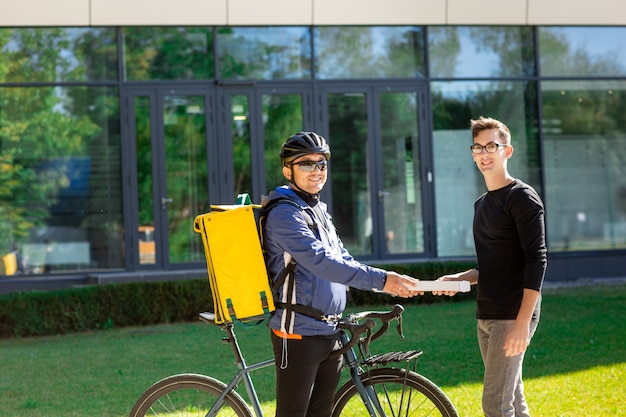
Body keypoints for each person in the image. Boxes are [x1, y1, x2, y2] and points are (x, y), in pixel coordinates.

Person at [262, 131, 422, 417]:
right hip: (297, 333)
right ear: (288, 169)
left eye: (321, 163)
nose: (316, 170)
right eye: (306, 164)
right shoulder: (284, 214)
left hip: (330, 331)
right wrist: (383, 280)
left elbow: (342, 258)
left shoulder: (318, 210)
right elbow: (322, 262)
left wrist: (382, 282)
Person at [434, 117, 547, 417]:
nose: (485, 153)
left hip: (512, 315)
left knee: (495, 405)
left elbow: (536, 259)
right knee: (512, 397)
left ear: (507, 151)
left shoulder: (521, 197)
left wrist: (523, 323)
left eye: (492, 146)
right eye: (478, 147)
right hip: (486, 313)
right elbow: (493, 265)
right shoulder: (481, 204)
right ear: (472, 153)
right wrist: (459, 279)